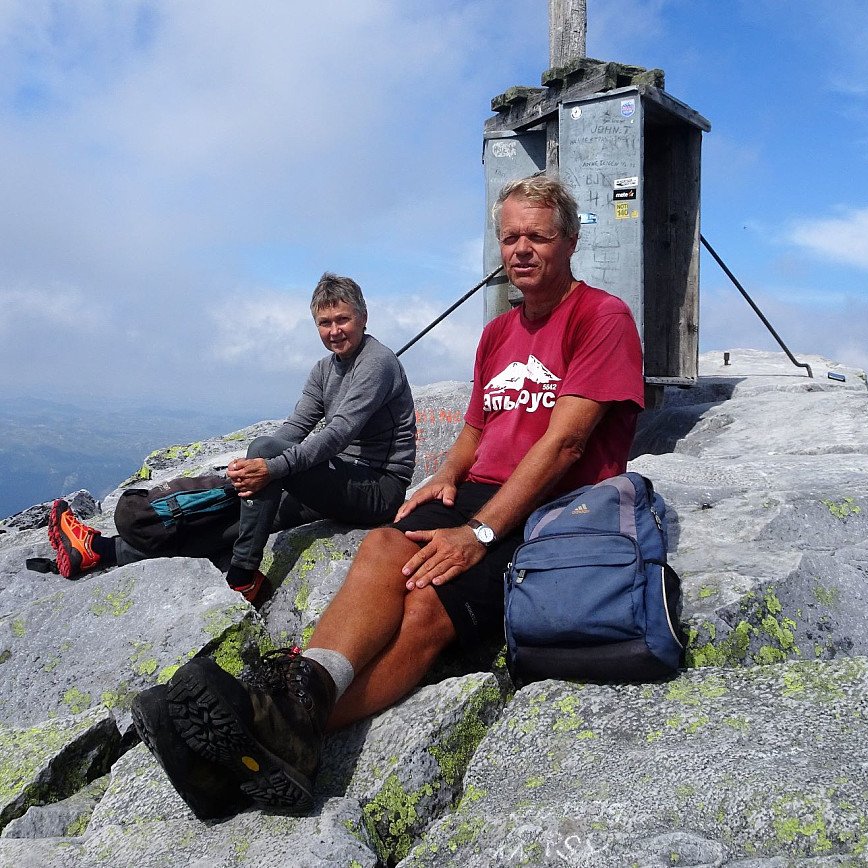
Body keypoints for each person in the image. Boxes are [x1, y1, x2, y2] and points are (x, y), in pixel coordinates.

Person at [132, 175, 645, 818]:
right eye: (510, 236)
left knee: (428, 604)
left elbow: (566, 444)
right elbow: (477, 428)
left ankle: (268, 737)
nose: (521, 249)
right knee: (382, 545)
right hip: (478, 491)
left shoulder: (601, 317)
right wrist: (447, 474)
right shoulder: (498, 332)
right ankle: (291, 709)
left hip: (553, 510)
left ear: (569, 241)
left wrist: (480, 532)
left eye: (537, 236)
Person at [47, 273, 417, 604]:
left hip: (377, 488)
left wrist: (269, 465)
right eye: (324, 323)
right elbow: (296, 427)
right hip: (337, 480)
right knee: (245, 516)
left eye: (342, 319)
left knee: (264, 459)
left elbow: (337, 434)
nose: (334, 330)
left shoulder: (377, 362)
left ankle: (242, 573)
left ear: (363, 317)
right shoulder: (324, 369)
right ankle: (103, 550)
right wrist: (253, 469)